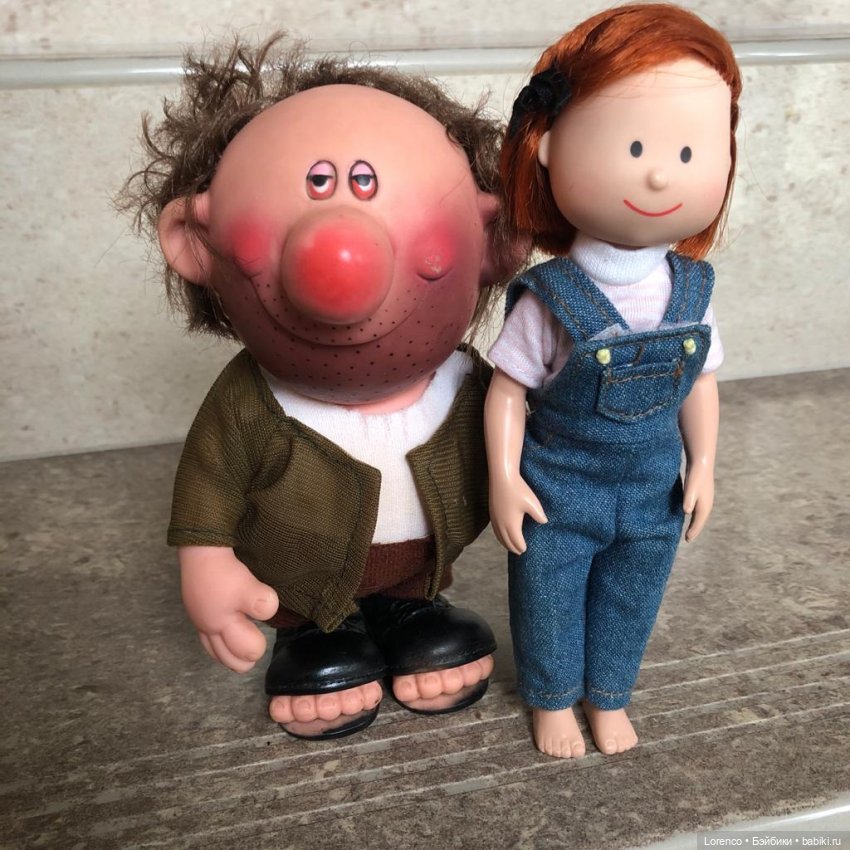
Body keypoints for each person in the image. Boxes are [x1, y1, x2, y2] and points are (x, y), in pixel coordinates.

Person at [120, 36, 523, 740]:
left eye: (368, 188)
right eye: (317, 187)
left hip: (421, 566)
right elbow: (209, 485)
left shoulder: (474, 385)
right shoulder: (252, 402)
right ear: (194, 241)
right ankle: (312, 634)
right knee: (312, 624)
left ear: (494, 244)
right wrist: (206, 566)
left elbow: (525, 438)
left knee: (417, 608)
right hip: (295, 583)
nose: (341, 257)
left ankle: (410, 610)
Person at [484, 3, 742, 758]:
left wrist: (704, 465)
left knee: (634, 595)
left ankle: (609, 695)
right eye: (633, 146)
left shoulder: (691, 291)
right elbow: (507, 390)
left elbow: (700, 383)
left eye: (691, 152)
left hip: (655, 486)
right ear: (547, 144)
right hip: (560, 486)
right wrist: (503, 477)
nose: (661, 172)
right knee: (549, 594)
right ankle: (552, 699)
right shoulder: (551, 297)